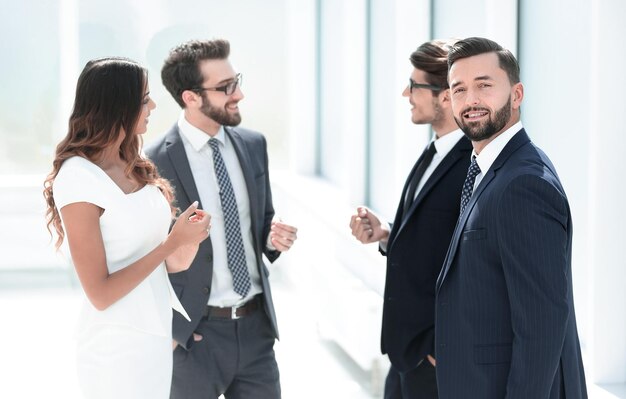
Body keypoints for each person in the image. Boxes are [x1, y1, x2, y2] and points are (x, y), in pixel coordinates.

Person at [43, 57, 211, 399]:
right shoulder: (77, 177)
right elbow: (100, 294)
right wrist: (169, 243)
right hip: (114, 348)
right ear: (116, 104)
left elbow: (168, 265)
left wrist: (186, 242)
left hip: (155, 337)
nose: (152, 105)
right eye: (143, 98)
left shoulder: (134, 164)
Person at [435, 37, 587, 398]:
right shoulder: (491, 169)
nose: (471, 100)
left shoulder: (523, 184)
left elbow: (542, 327)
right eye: (459, 89)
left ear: (516, 95)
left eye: (484, 85)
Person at [145, 39, 298, 399]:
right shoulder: (153, 164)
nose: (239, 94)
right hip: (195, 339)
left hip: (256, 331)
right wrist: (172, 332)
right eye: (225, 87)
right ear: (190, 97)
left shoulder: (253, 144)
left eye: (237, 81)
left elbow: (259, 225)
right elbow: (148, 255)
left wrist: (272, 240)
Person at [349, 39, 472, 399]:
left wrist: (440, 345)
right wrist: (386, 233)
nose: (406, 93)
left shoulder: (472, 165)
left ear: (446, 97)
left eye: (415, 85)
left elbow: (473, 263)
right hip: (406, 354)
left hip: (435, 358)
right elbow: (433, 241)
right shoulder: (434, 151)